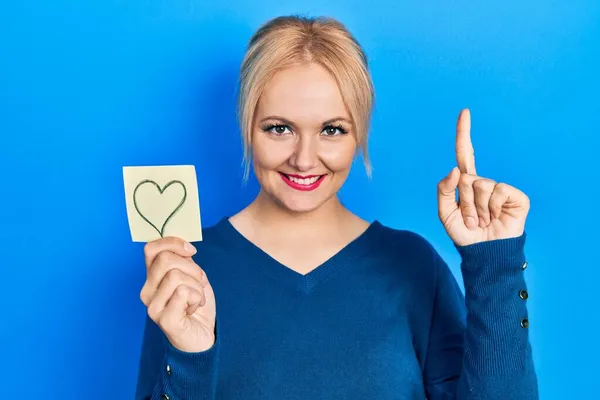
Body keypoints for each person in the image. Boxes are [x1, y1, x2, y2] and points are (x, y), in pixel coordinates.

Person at [134, 15, 538, 400]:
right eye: (280, 128)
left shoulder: (415, 266)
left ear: (358, 133)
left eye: (331, 130)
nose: (305, 160)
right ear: (248, 128)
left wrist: (494, 265)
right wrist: (190, 356)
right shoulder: (187, 266)